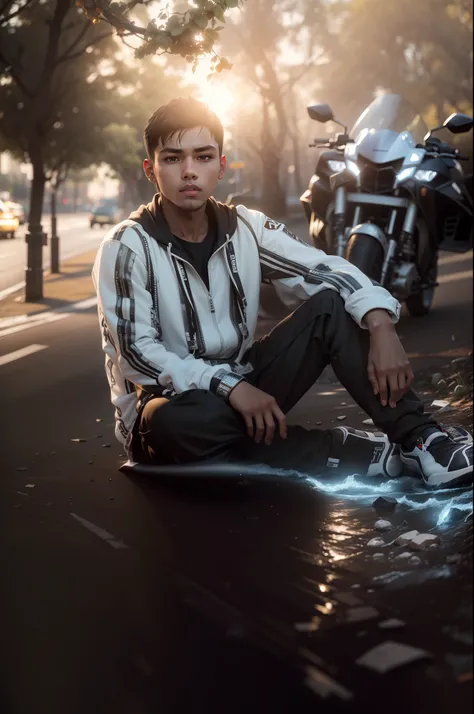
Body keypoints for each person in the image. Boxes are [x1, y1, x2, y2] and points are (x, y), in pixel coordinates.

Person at [92, 97, 472, 489]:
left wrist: (380, 322)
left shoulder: (247, 228)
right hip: (165, 405)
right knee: (179, 426)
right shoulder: (125, 247)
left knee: (331, 306)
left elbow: (324, 270)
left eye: (203, 157)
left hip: (245, 381)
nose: (189, 172)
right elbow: (138, 356)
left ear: (220, 166)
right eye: (172, 159)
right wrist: (231, 388)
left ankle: (422, 439)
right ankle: (347, 449)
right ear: (150, 170)